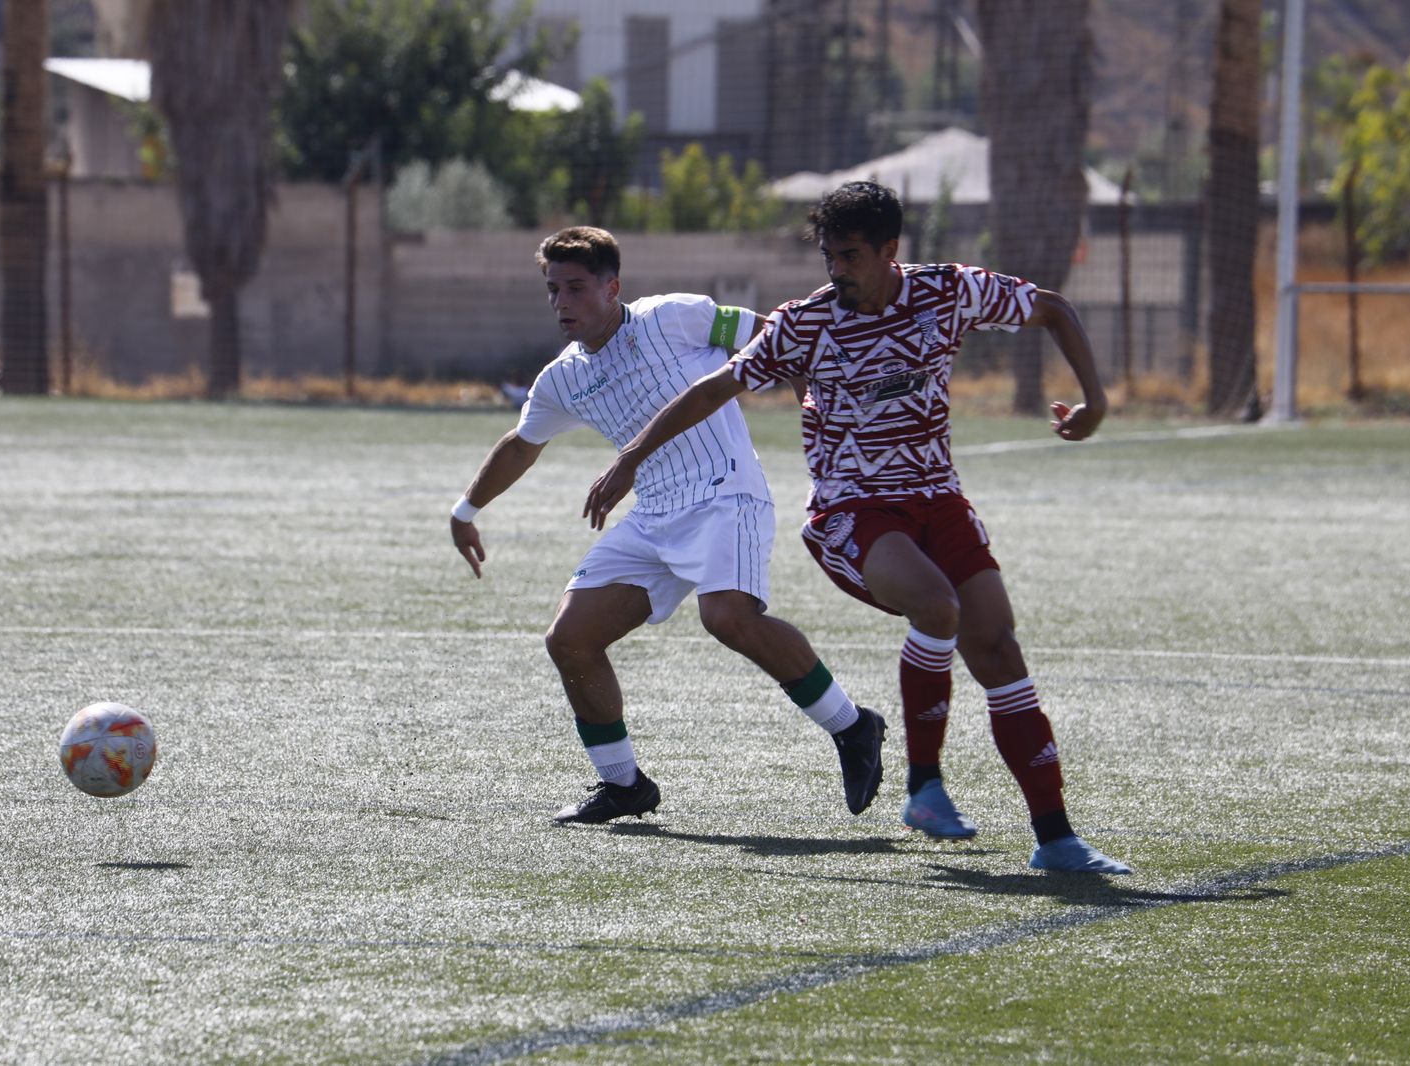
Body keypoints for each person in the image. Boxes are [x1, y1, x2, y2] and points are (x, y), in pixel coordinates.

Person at [584, 183, 1132, 874]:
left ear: (889, 251)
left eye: (849, 256)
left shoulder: (947, 292)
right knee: (938, 606)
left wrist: (1097, 400)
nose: (835, 270)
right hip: (852, 512)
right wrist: (633, 457)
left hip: (940, 499)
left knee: (997, 646)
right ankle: (925, 786)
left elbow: (1053, 309)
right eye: (828, 256)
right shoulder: (804, 323)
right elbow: (716, 387)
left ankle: (1056, 838)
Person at [449, 226, 885, 825]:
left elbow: (774, 335)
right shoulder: (562, 378)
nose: (561, 303)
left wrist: (813, 403)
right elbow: (522, 446)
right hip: (654, 512)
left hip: (725, 491)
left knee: (728, 617)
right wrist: (466, 510)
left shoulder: (675, 316)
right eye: (553, 290)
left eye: (576, 288)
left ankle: (853, 725)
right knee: (569, 640)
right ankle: (624, 785)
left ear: (613, 287)